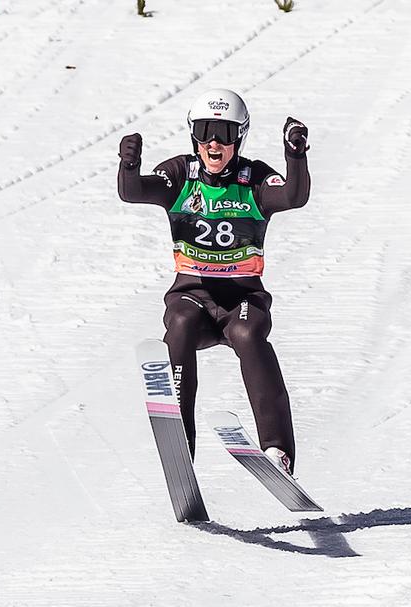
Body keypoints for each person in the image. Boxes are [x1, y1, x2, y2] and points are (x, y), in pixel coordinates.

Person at [117, 89, 311, 474]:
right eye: (205, 132)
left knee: (247, 335)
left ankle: (277, 450)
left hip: (243, 298)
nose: (214, 143)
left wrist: (295, 156)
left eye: (223, 132)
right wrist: (128, 166)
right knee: (181, 324)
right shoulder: (180, 175)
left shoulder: (253, 179)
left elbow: (293, 195)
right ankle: (180, 443)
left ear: (239, 136)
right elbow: (134, 192)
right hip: (192, 293)